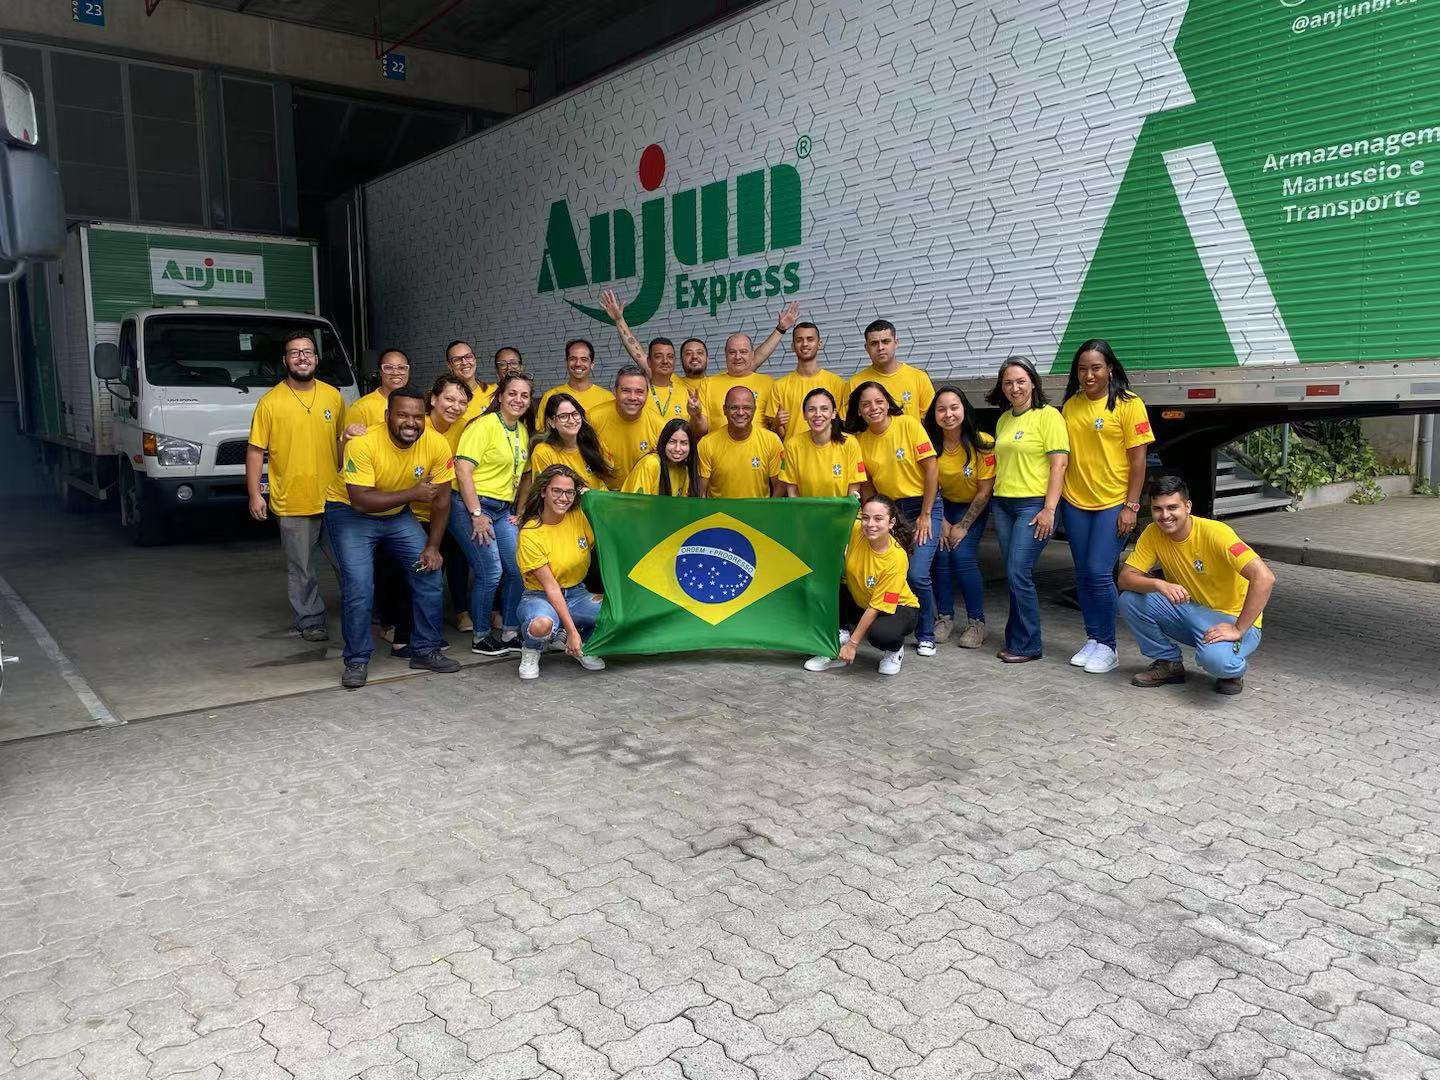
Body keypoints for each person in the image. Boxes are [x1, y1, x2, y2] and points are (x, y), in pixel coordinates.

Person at [323, 385, 461, 689]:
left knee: (429, 572)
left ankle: (425, 649)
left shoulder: (437, 444)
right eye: (402, 415)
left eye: (417, 416)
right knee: (360, 585)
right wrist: (412, 494)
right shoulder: (363, 444)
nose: (411, 422)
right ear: (387, 416)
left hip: (396, 514)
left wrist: (433, 546)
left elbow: (442, 500)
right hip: (350, 514)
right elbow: (360, 500)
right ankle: (357, 659)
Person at [1118, 475, 1274, 696]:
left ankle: (1231, 670)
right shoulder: (1153, 533)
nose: (1165, 516)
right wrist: (1159, 584)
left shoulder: (1216, 532)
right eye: (1157, 509)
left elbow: (1264, 578)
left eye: (1172, 507)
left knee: (1217, 662)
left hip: (1231, 618)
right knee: (1130, 600)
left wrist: (1238, 628)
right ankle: (1168, 663)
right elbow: (1125, 579)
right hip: (1190, 610)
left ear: (1188, 506)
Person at [1059, 339, 1156, 674]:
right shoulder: (1071, 406)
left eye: (1096, 368)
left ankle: (1109, 646)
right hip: (1075, 502)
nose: (1089, 375)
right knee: (1083, 573)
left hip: (1113, 503)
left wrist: (1132, 506)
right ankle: (1093, 639)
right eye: (1082, 369)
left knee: (1100, 572)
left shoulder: (1130, 404)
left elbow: (1138, 461)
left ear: (1110, 368)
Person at [246, 331, 346, 643]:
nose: (302, 357)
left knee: (349, 561)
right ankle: (310, 619)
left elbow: (341, 442)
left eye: (307, 352)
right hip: (293, 500)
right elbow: (255, 451)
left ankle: (360, 609)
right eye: (294, 352)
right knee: (301, 568)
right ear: (285, 360)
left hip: (335, 498)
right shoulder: (270, 403)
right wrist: (255, 494)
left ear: (316, 358)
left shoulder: (332, 396)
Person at [375, 373, 476, 651]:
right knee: (404, 569)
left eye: (462, 402)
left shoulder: (466, 428)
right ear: (433, 399)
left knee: (448, 560)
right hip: (406, 508)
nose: (455, 406)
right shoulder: (416, 424)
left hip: (443, 507)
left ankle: (443, 619)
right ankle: (393, 625)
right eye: (449, 399)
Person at [986, 355, 1070, 663]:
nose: (1015, 388)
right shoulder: (1004, 419)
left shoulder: (1049, 416)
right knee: (1014, 573)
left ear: (1033, 382)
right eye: (1008, 383)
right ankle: (1016, 639)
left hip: (1033, 505)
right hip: (1003, 504)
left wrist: (1049, 509)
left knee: (1018, 570)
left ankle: (1029, 644)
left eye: (1021, 381)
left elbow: (1059, 465)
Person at [846, 381, 940, 656]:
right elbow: (868, 485)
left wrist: (926, 514)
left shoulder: (908, 425)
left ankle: (926, 634)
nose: (873, 408)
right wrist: (871, 517)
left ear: (888, 402)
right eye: (866, 404)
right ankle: (890, 624)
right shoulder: (861, 440)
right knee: (894, 568)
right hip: (888, 511)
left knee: (917, 573)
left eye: (878, 401)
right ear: (859, 411)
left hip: (921, 505)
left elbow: (931, 468)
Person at [450, 372, 536, 656]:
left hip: (502, 510)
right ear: (500, 396)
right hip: (471, 506)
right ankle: (481, 636)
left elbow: (526, 475)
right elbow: (463, 470)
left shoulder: (522, 431)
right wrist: (476, 514)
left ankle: (510, 631)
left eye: (524, 395)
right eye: (512, 393)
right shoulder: (483, 425)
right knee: (491, 572)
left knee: (517, 569)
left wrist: (520, 511)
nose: (518, 399)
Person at [803, 495, 920, 677]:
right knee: (815, 589)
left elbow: (876, 606)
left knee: (881, 635)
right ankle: (835, 642)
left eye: (878, 519)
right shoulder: (857, 529)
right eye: (866, 517)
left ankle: (894, 650)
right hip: (860, 598)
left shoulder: (896, 558)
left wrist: (853, 644)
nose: (870, 524)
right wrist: (847, 500)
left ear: (891, 523)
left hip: (897, 608)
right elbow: (830, 517)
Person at [514, 464, 608, 679]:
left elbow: (610, 511)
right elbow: (551, 587)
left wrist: (592, 494)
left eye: (569, 492)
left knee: (616, 612)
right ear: (543, 491)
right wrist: (573, 631)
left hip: (577, 593)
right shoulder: (531, 533)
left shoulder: (578, 516)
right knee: (542, 625)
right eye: (557, 491)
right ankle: (532, 649)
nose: (563, 498)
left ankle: (582, 645)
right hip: (541, 596)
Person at [924, 386, 995, 649]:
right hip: (943, 507)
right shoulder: (930, 445)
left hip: (973, 508)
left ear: (964, 409)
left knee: (962, 556)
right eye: (941, 409)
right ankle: (944, 618)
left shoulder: (983, 443)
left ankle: (977, 623)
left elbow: (985, 491)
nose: (948, 414)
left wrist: (963, 526)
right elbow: (930, 487)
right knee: (941, 555)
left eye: (954, 407)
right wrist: (942, 522)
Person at [598, 289, 708, 434]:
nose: (665, 361)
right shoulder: (639, 391)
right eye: (658, 356)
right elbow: (636, 351)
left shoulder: (685, 391)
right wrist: (619, 320)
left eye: (670, 356)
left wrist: (696, 415)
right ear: (649, 362)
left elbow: (700, 429)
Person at [764, 321, 848, 440]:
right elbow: (776, 435)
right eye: (799, 340)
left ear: (819, 344)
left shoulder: (838, 384)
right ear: (793, 346)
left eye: (810, 339)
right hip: (792, 451)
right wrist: (776, 424)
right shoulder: (779, 386)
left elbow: (843, 427)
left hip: (827, 450)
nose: (804, 344)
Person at [778, 388, 865, 499]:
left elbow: (853, 489)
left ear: (833, 413)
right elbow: (792, 492)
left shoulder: (849, 443)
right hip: (807, 509)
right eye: (811, 410)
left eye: (824, 409)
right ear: (804, 415)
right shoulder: (793, 445)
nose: (818, 414)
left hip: (841, 509)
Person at [697, 387, 784, 498]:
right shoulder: (707, 444)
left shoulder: (772, 441)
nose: (740, 413)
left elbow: (779, 486)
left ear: (754, 410)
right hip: (719, 509)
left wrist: (768, 507)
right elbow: (700, 492)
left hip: (758, 509)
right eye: (734, 407)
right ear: (724, 410)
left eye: (747, 408)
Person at [524, 393, 616, 497]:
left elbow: (608, 477)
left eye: (575, 414)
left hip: (600, 503)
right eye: (563, 416)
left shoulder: (592, 441)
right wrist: (582, 493)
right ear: (551, 422)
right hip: (569, 506)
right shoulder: (543, 452)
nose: (572, 420)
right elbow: (546, 493)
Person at [846, 319, 935, 422]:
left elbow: (931, 420)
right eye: (874, 343)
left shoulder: (919, 377)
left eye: (885, 342)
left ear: (896, 343)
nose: (880, 347)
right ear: (866, 348)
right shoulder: (855, 383)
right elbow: (850, 424)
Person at [588, 365, 663, 481]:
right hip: (602, 489)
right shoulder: (592, 419)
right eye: (626, 391)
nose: (632, 397)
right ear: (614, 391)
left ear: (647, 394)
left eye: (639, 392)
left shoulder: (659, 425)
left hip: (641, 490)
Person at [537, 338, 614, 421]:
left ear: (592, 364)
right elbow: (541, 428)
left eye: (584, 359)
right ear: (566, 362)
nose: (578, 364)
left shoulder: (608, 398)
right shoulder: (550, 397)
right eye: (573, 359)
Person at [623, 418, 698, 496]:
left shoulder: (684, 469)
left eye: (684, 443)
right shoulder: (650, 463)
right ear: (664, 442)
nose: (677, 449)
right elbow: (637, 501)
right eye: (672, 442)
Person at [346, 348, 411, 434]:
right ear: (380, 371)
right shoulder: (361, 408)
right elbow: (347, 440)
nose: (395, 372)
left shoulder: (418, 405)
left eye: (402, 368)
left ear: (408, 371)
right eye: (388, 367)